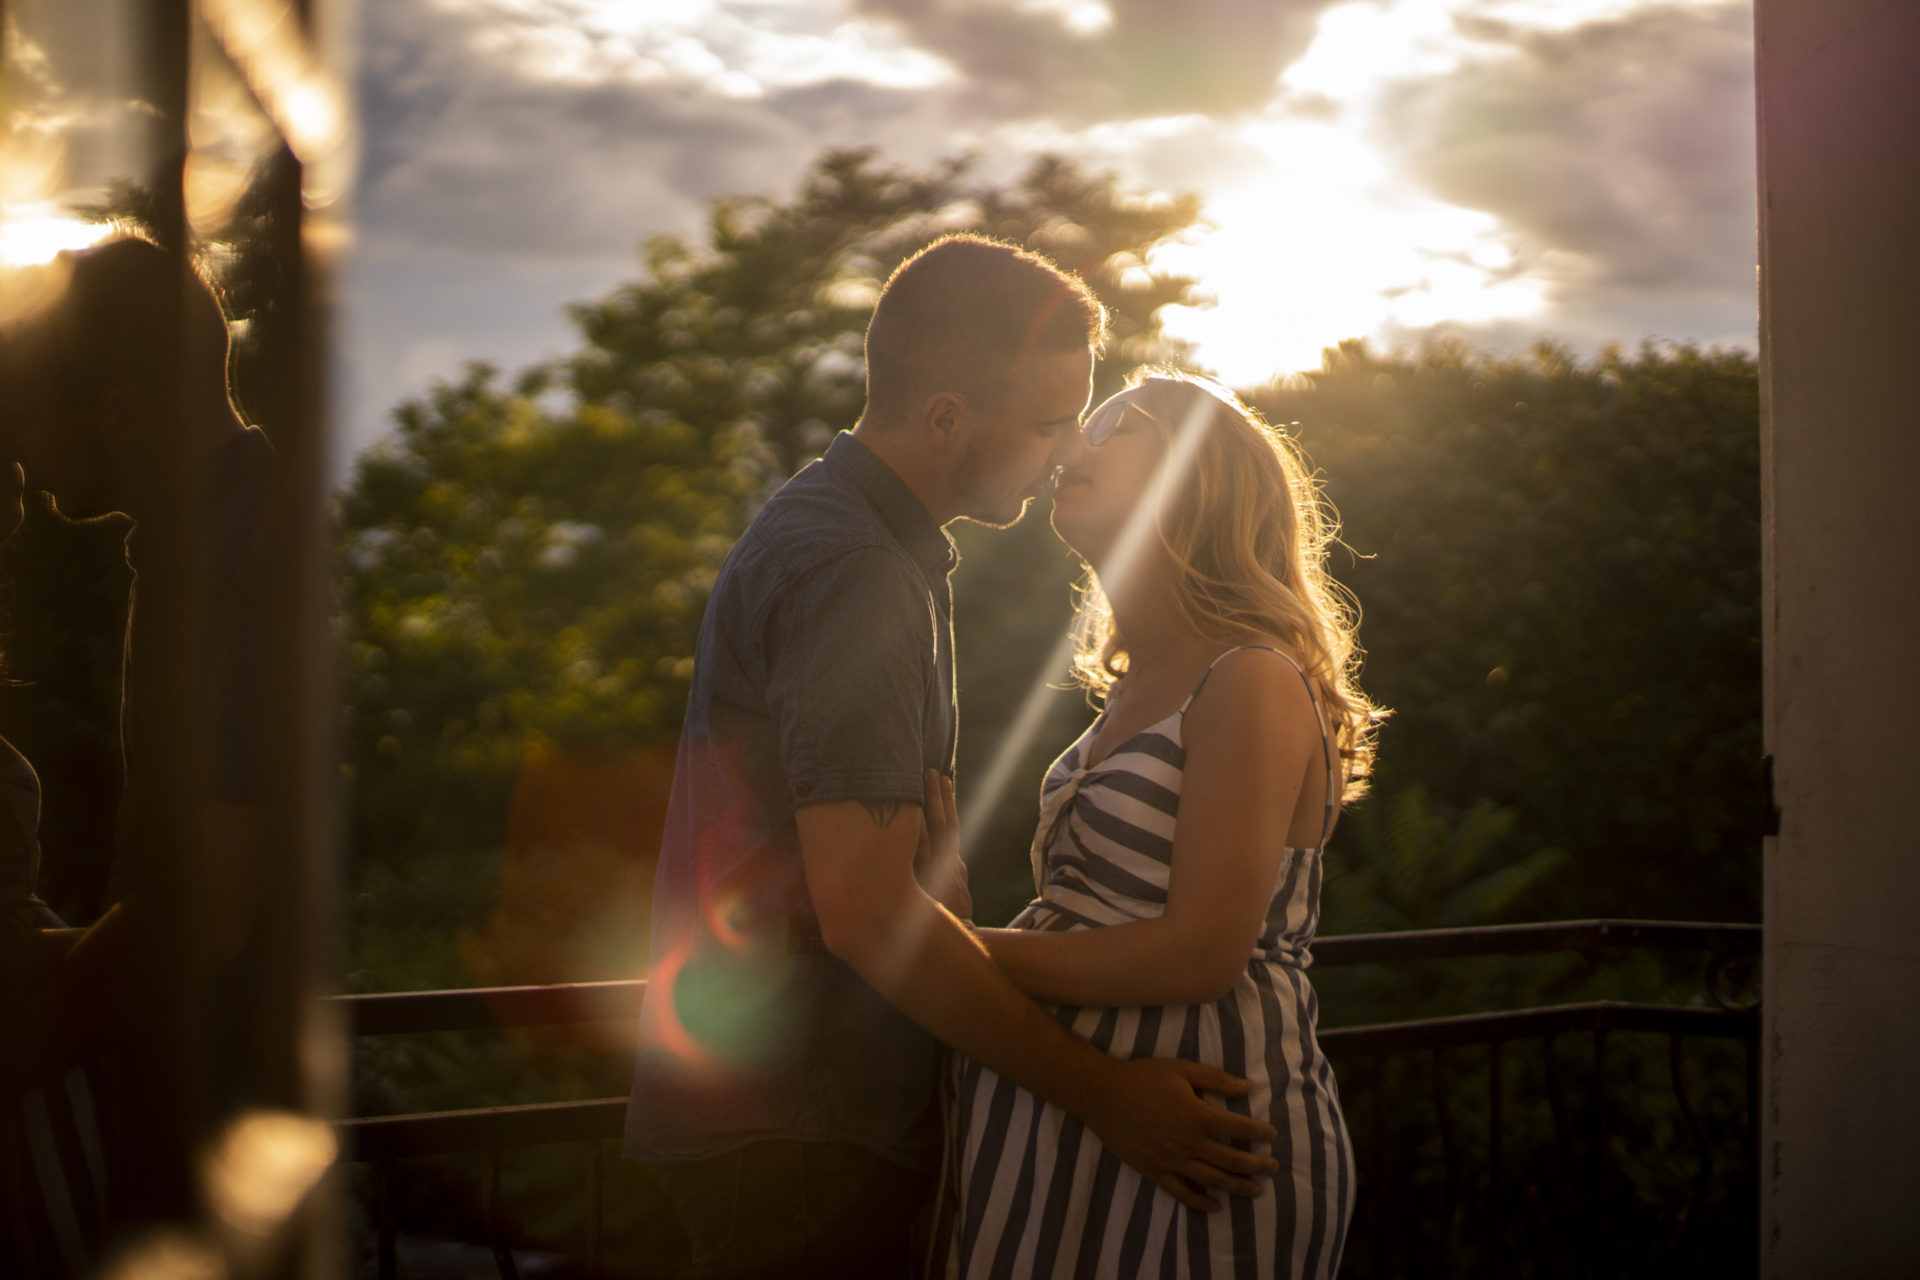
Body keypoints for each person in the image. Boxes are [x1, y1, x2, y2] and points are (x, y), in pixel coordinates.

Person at [624, 237, 1278, 1279]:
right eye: (1051, 424)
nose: (1067, 452)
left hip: (796, 1123)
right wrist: (1108, 1094)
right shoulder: (857, 573)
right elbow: (871, 914)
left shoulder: (858, 545)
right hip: (800, 1131)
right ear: (944, 419)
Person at [946, 371, 1381, 1278]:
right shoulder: (1135, 686)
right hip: (1077, 1127)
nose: (1071, 446)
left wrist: (941, 950)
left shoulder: (1248, 675)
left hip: (1206, 1135)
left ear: (1195, 478)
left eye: (1114, 431)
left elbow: (1200, 954)